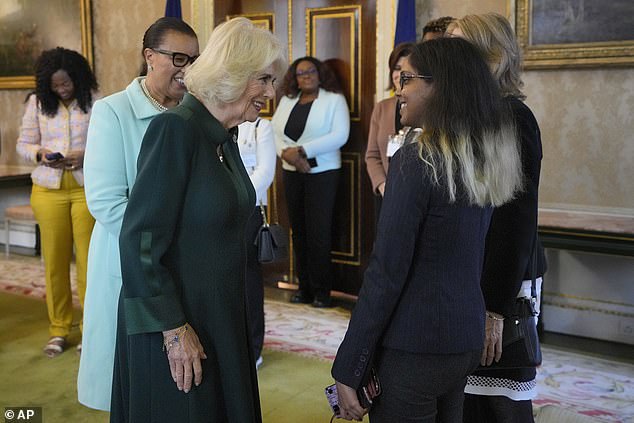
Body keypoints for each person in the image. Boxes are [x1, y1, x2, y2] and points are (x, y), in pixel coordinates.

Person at [331, 37, 523, 422]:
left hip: (414, 347)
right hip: (461, 339)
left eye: (407, 80)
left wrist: (349, 365)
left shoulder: (416, 161)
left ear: (440, 87)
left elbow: (386, 271)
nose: (399, 91)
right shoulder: (483, 158)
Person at [111, 17, 285, 422]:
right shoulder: (175, 131)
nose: (271, 93)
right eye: (264, 79)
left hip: (218, 314)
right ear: (234, 72)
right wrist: (173, 330)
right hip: (177, 324)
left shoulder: (223, 139)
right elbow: (140, 240)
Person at [77, 17, 199, 411]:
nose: (188, 69)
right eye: (178, 57)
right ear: (149, 56)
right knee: (130, 382)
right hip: (131, 263)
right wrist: (173, 234)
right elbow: (107, 203)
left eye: (195, 60)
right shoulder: (113, 112)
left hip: (183, 263)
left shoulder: (195, 113)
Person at [447, 13, 546, 423]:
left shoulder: (512, 118)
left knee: (497, 404)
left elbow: (514, 221)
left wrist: (495, 308)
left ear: (493, 56)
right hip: (465, 278)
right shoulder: (465, 114)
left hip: (498, 284)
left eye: (458, 46)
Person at [16, 47, 98, 359]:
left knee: (89, 265)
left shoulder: (96, 100)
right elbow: (23, 144)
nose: (62, 90)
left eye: (66, 84)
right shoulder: (37, 103)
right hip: (48, 191)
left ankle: (91, 330)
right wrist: (40, 155)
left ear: (78, 78)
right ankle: (60, 329)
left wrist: (85, 156)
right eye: (55, 86)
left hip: (85, 190)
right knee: (55, 263)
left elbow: (108, 143)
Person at [271, 56, 350, 308]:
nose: (305, 76)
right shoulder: (287, 100)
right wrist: (288, 154)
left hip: (323, 174)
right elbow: (274, 131)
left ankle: (321, 292)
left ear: (320, 74)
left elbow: (340, 135)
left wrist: (302, 151)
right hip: (292, 172)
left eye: (310, 71)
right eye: (300, 73)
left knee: (319, 233)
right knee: (300, 231)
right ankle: (303, 288)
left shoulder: (333, 100)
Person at [237, 116, 276, 369]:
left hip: (248, 209)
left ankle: (253, 347)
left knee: (249, 279)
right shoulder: (218, 120)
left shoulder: (262, 127)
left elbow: (265, 172)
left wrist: (235, 194)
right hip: (219, 209)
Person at [365, 42, 413, 223]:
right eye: (396, 68)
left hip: (414, 194)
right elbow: (372, 155)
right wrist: (383, 186)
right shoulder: (382, 108)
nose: (399, 74)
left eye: (405, 69)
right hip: (386, 193)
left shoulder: (425, 108)